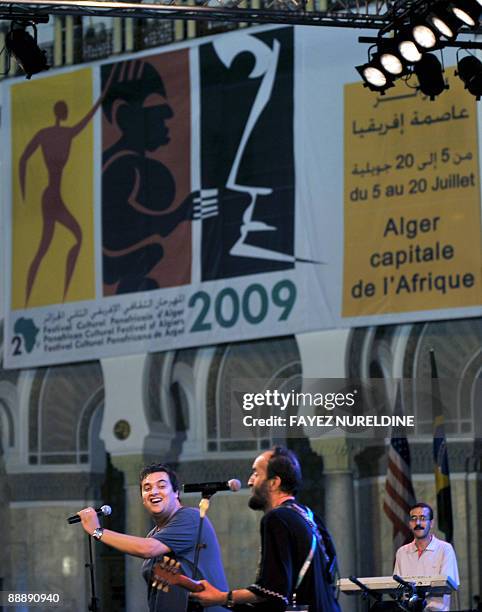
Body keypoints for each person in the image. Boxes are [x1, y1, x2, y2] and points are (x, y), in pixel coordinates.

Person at [191, 445, 341, 611]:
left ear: (274, 482)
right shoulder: (309, 515)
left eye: (256, 474)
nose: (249, 481)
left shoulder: (276, 518)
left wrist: (221, 597)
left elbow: (273, 591)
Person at [19, 68, 113, 306]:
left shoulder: (50, 133)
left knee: (67, 241)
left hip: (53, 196)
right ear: (63, 112)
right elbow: (91, 114)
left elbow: (23, 160)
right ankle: (33, 298)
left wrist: (25, 189)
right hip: (51, 197)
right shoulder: (65, 134)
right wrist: (23, 194)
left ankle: (57, 297)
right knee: (46, 247)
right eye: (66, 110)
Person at [78, 462, 227, 612]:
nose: (154, 492)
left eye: (161, 486)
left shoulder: (191, 517)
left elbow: (147, 549)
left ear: (176, 493)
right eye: (147, 488)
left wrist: (97, 531)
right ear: (143, 498)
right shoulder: (154, 534)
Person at [394, 502, 460, 611]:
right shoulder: (402, 552)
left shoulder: (445, 549)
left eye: (423, 518)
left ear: (432, 523)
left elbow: (447, 585)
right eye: (414, 519)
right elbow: (397, 588)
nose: (418, 522)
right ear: (410, 524)